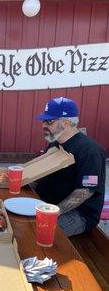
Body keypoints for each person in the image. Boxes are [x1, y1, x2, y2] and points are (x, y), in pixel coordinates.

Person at [34, 97, 106, 237]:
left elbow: (86, 191)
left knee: (34, 233)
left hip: (78, 214)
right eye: (44, 121)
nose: (43, 125)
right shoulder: (55, 142)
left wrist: (53, 211)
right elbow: (40, 170)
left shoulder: (89, 150)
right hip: (47, 204)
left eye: (49, 121)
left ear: (66, 122)